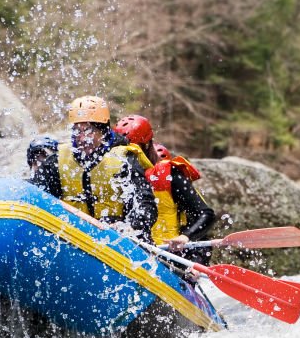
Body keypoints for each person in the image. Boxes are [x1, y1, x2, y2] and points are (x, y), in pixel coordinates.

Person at [30, 96, 158, 241]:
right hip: (76, 238)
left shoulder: (124, 160)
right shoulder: (57, 161)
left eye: (89, 130)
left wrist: (130, 226)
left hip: (117, 239)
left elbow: (146, 205)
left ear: (103, 131)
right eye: (78, 131)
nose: (83, 138)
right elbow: (35, 192)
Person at [111, 114, 216, 256]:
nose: (126, 154)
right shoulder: (115, 172)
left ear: (146, 145)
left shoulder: (169, 174)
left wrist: (185, 237)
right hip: (129, 251)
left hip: (168, 256)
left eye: (131, 148)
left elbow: (205, 214)